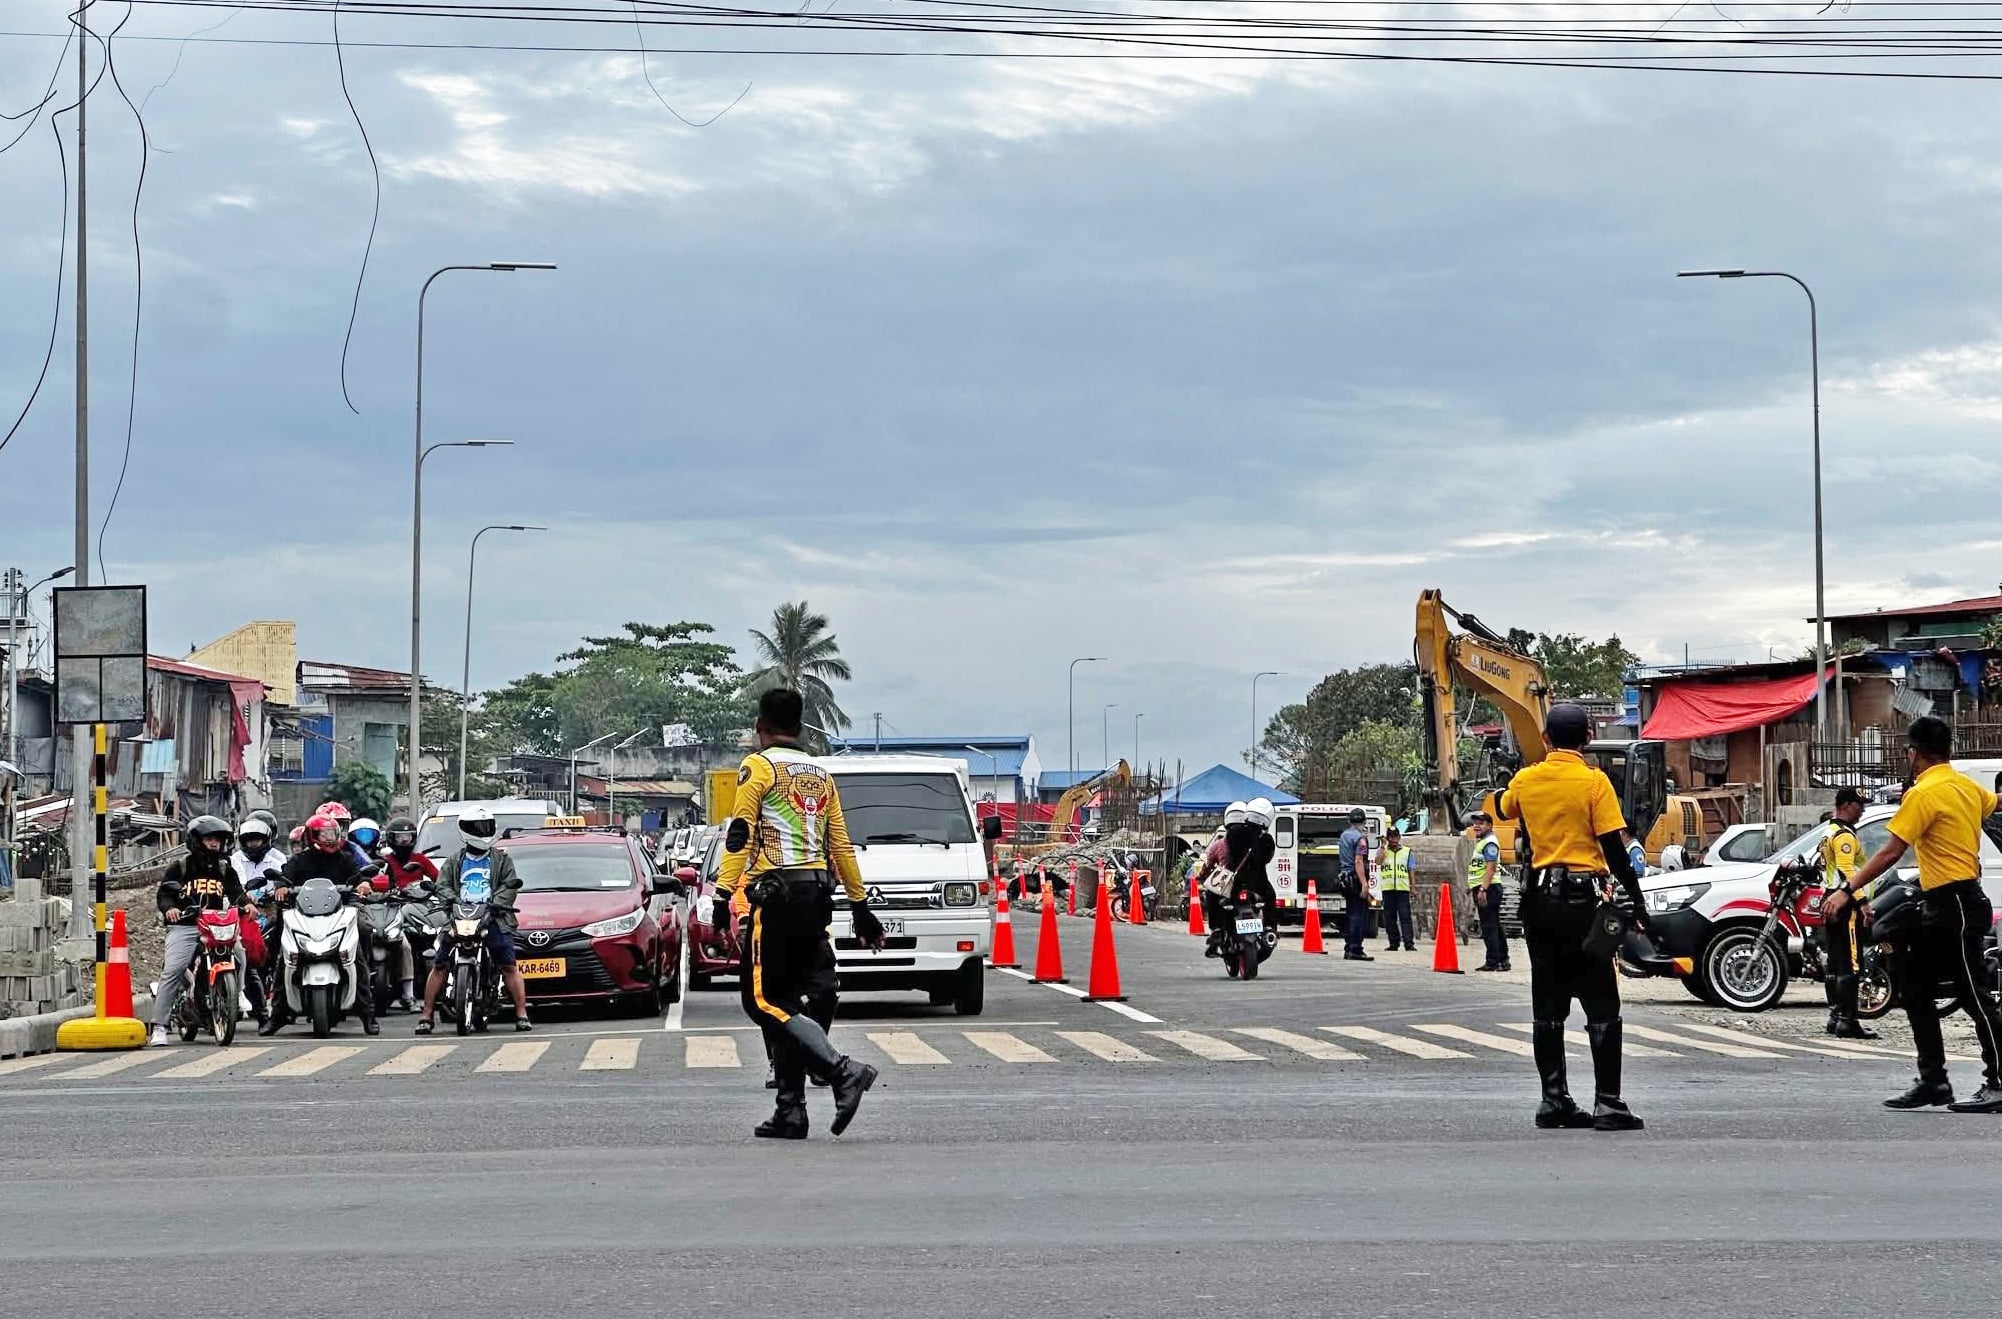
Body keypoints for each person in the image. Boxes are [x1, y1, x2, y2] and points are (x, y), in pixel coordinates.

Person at [715, 688, 884, 1140]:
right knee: (794, 997)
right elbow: (841, 845)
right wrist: (860, 903)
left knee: (764, 1000)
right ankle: (790, 1110)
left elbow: (741, 833)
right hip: (816, 894)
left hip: (776, 894)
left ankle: (841, 1070)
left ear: (760, 727)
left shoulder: (759, 766)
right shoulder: (819, 773)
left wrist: (721, 893)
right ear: (800, 726)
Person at [1495, 703, 1648, 1131]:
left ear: (1545, 739)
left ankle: (1554, 1099)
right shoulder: (1594, 783)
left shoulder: (1526, 779)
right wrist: (1635, 900)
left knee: (1547, 1002)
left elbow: (1504, 807)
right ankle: (1608, 1103)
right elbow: (1615, 850)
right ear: (1588, 737)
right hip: (1583, 903)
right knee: (1601, 1000)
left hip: (1539, 903)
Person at [1839, 717, 2002, 1112]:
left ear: (1914, 753)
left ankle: (1998, 1083)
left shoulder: (1924, 792)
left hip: (1957, 903)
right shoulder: (1967, 786)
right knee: (1914, 989)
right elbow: (1994, 807)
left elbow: (1891, 850)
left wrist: (1847, 889)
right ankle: (1934, 1081)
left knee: (1974, 995)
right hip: (1946, 904)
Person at [415, 804, 532, 1034]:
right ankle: (426, 1014)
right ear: (464, 831)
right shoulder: (454, 861)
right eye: (477, 827)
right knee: (440, 963)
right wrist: (452, 900)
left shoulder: (502, 860)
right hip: (460, 918)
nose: (482, 831)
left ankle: (521, 1013)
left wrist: (497, 903)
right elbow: (443, 885)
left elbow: (509, 886)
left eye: (485, 826)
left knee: (509, 965)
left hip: (494, 919)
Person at [262, 813, 378, 1037]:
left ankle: (367, 1014)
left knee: (359, 950)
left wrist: (364, 884)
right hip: (303, 916)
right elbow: (285, 877)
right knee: (283, 958)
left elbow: (359, 877)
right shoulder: (299, 860)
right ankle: (277, 1015)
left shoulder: (344, 858)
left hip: (340, 915)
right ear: (311, 836)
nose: (330, 838)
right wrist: (281, 887)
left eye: (332, 833)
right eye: (324, 834)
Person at [151, 816, 251, 1046]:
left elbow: (236, 892)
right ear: (196, 840)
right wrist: (171, 909)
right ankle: (159, 1026)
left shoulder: (225, 868)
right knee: (174, 969)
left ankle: (238, 994)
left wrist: (247, 904)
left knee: (240, 955)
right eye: (209, 838)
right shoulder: (181, 867)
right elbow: (164, 894)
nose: (215, 843)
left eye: (218, 839)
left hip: (215, 924)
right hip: (185, 925)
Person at [1818, 787, 1875, 1040]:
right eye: (1859, 804)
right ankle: (1847, 1021)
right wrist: (1861, 902)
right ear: (1847, 805)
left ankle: (1835, 1016)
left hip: (1831, 899)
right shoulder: (1843, 835)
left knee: (1835, 960)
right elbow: (1846, 870)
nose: (1862, 810)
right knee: (1851, 962)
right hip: (1846, 903)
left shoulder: (1828, 831)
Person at [229, 816, 287, 1025]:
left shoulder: (278, 858)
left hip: (270, 908)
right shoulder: (234, 859)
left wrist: (280, 889)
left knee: (283, 937)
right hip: (242, 909)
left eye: (257, 840)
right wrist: (245, 898)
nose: (253, 844)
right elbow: (234, 884)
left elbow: (284, 879)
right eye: (249, 840)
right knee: (244, 950)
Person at [375, 816, 436, 1010]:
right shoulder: (385, 862)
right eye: (400, 837)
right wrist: (388, 891)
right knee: (405, 946)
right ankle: (408, 995)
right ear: (392, 839)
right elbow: (377, 884)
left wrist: (435, 888)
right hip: (393, 909)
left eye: (408, 837)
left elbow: (439, 879)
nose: (404, 841)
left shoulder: (420, 860)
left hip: (419, 907)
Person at [1191, 803, 1248, 957]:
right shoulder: (1253, 840)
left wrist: (1201, 877)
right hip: (1250, 881)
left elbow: (1208, 866)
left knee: (1211, 896)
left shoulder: (1219, 844)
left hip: (1227, 883)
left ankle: (1216, 929)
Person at [1467, 812, 1509, 972]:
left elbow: (1490, 868)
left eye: (1481, 823)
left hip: (1488, 888)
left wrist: (1482, 889)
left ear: (1490, 825)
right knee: (1494, 925)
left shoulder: (1489, 843)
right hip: (1484, 886)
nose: (1477, 826)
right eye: (1475, 823)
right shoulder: (1483, 842)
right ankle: (1503, 960)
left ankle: (1493, 961)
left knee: (1489, 926)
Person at [1337, 808, 1375, 961]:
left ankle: (1348, 948)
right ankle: (1355, 949)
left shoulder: (1344, 835)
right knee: (1358, 915)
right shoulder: (1360, 839)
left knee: (1351, 913)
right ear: (1364, 822)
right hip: (1355, 879)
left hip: (1345, 878)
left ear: (1349, 821)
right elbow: (1359, 861)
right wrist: (1364, 883)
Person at [1379, 827, 1416, 952]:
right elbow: (1378, 862)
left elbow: (1411, 870)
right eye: (1390, 837)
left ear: (1399, 838)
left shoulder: (1407, 851)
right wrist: (1383, 846)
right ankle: (1393, 943)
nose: (1393, 839)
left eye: (1395, 836)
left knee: (1405, 917)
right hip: (1388, 889)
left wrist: (1413, 887)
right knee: (1390, 918)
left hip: (1402, 889)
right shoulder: (1384, 852)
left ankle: (1409, 943)